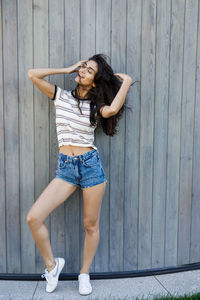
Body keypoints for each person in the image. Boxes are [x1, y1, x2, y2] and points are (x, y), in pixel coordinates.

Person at [26, 54, 133, 295]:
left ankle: (84, 274)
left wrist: (127, 81)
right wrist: (67, 68)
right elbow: (32, 74)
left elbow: (113, 108)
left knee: (90, 225)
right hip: (66, 168)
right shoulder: (60, 96)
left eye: (89, 70)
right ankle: (52, 267)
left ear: (95, 82)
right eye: (83, 66)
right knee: (34, 217)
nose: (82, 70)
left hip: (90, 167)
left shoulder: (96, 107)